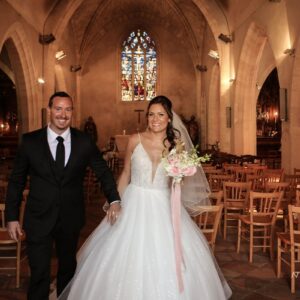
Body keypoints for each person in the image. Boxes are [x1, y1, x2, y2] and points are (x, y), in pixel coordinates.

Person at [59, 95, 232, 300]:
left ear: (169, 118)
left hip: (163, 205)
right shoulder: (134, 140)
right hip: (134, 200)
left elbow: (179, 182)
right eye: (151, 114)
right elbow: (125, 174)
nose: (155, 119)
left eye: (160, 114)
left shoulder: (176, 145)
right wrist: (114, 202)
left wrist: (181, 174)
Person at [5, 91, 121, 300]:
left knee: (67, 271)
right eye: (58, 109)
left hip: (71, 217)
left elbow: (103, 171)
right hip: (38, 218)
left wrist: (114, 199)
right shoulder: (30, 142)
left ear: (72, 113)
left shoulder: (84, 141)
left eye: (68, 109)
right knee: (39, 273)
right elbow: (16, 181)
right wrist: (12, 217)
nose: (63, 114)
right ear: (49, 110)